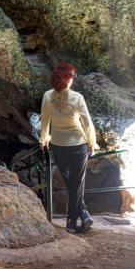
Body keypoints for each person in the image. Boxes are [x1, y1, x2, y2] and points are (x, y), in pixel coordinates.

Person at [39, 61, 98, 234]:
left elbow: (45, 121)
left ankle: (79, 217)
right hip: (78, 145)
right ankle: (74, 219)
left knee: (72, 184)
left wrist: (43, 140)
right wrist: (92, 143)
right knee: (76, 184)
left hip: (58, 145)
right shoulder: (77, 97)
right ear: (70, 79)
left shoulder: (47, 96)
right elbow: (87, 123)